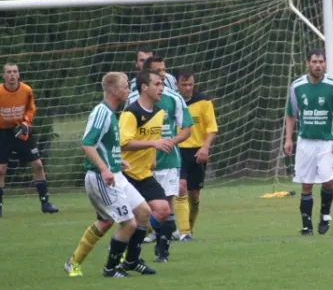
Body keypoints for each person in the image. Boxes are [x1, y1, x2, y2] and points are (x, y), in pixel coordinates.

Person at [64, 72, 155, 278]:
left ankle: (127, 261)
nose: (128, 90)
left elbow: (103, 146)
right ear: (114, 91)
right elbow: (87, 143)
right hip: (101, 177)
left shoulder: (112, 113)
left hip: (114, 174)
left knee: (142, 212)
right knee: (128, 223)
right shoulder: (102, 112)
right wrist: (105, 169)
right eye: (125, 87)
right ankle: (111, 269)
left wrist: (115, 162)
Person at [283, 49, 333, 235]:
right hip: (305, 142)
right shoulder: (297, 86)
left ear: (325, 64)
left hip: (327, 142)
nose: (318, 65)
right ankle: (306, 226)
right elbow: (291, 114)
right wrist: (288, 139)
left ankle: (325, 214)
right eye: (314, 62)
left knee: (328, 182)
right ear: (307, 63)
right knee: (306, 185)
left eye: (321, 62)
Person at [120, 69, 176, 262]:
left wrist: (151, 158)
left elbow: (151, 137)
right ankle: (123, 257)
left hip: (143, 174)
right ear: (144, 88)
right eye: (157, 84)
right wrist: (154, 144)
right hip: (125, 174)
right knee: (121, 222)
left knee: (163, 210)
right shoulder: (131, 113)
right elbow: (124, 143)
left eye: (162, 84)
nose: (161, 88)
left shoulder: (159, 113)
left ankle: (131, 254)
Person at [0, 63, 59, 217]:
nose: (12, 74)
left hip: (22, 132)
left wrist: (26, 123)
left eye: (14, 72)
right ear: (3, 75)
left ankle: (45, 202)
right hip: (3, 133)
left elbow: (30, 109)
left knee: (38, 165)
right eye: (8, 72)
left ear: (18, 75)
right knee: (1, 169)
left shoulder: (26, 90)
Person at [174, 69, 218, 241]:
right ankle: (184, 231)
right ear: (176, 85)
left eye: (190, 84)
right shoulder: (172, 102)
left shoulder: (204, 101)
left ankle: (188, 229)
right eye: (184, 85)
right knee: (181, 187)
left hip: (197, 151)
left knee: (194, 195)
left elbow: (212, 128)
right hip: (177, 150)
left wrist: (205, 148)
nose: (188, 88)